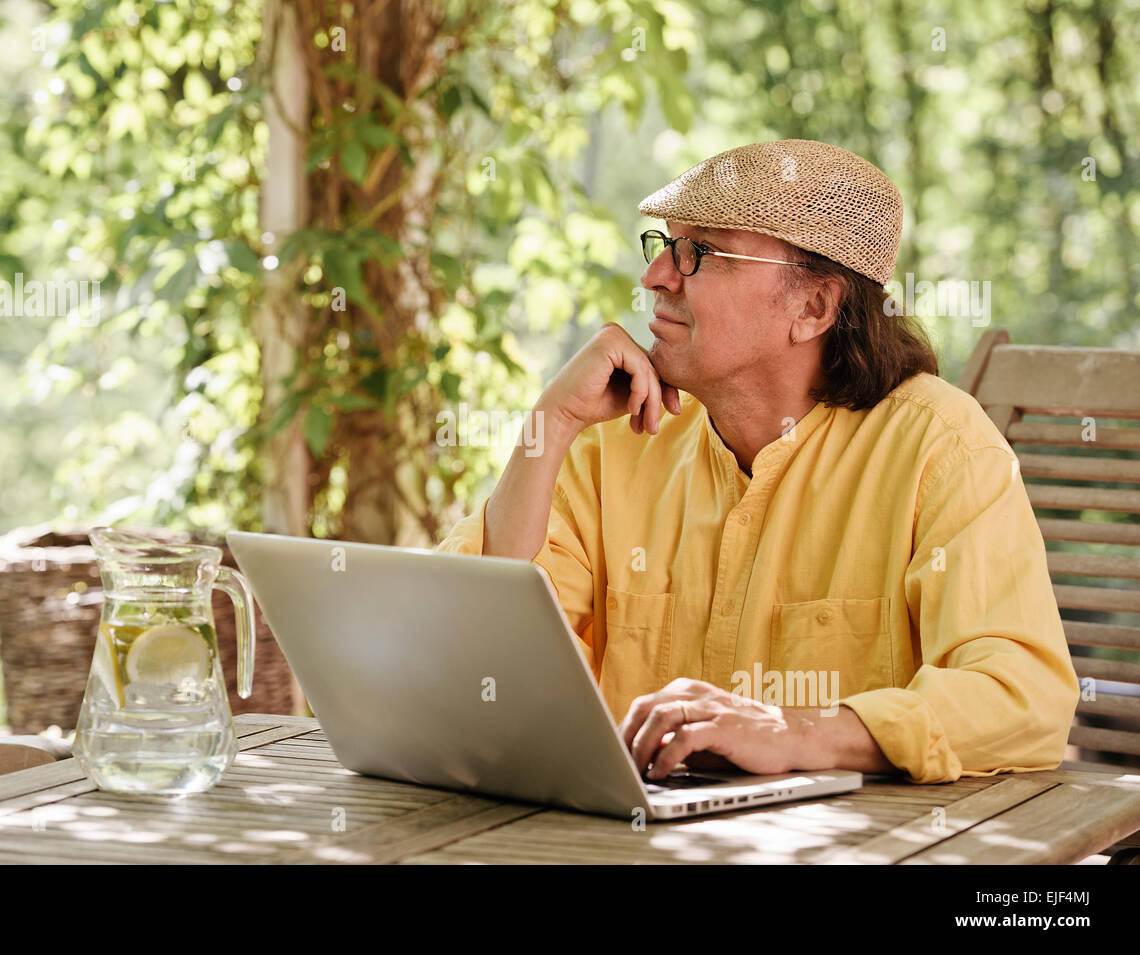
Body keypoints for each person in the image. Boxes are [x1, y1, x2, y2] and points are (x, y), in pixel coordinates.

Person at [433, 139, 1079, 785]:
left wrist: (794, 730)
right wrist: (549, 425)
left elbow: (1022, 698)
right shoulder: (610, 445)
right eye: (663, 243)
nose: (656, 276)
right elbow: (472, 656)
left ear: (814, 307)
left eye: (699, 252)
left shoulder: (942, 449)